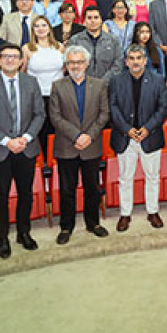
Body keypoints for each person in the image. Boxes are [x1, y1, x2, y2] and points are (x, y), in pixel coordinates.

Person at [0, 43, 46, 258]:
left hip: (26, 148)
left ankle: (23, 232)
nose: (10, 60)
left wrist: (24, 139)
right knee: (0, 197)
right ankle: (3, 237)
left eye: (14, 57)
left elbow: (39, 115)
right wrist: (7, 141)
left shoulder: (31, 82)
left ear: (21, 61)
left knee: (26, 194)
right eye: (5, 56)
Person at [49, 45, 110, 244]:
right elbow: (55, 117)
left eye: (79, 62)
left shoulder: (99, 85)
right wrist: (77, 136)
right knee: (67, 190)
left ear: (86, 63)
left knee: (92, 188)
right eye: (71, 62)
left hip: (91, 145)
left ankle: (93, 223)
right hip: (67, 146)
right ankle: (66, 227)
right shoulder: (57, 86)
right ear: (66, 65)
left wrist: (89, 136)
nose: (76, 66)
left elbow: (104, 114)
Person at [109, 44, 167, 232]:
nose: (135, 62)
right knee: (125, 178)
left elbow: (163, 108)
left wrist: (147, 128)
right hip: (125, 137)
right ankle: (125, 214)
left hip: (149, 137)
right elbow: (113, 108)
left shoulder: (158, 80)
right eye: (132, 58)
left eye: (139, 58)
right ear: (126, 62)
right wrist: (127, 129)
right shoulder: (116, 81)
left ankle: (153, 211)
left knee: (152, 177)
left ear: (145, 60)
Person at [22, 15, 64, 158]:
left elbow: (64, 70)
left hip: (57, 95)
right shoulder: (27, 48)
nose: (40, 29)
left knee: (57, 128)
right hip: (37, 95)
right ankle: (42, 159)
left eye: (44, 25)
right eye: (37, 26)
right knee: (40, 129)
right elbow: (23, 72)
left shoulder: (59, 46)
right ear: (32, 30)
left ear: (49, 28)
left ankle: (56, 158)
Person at [67, 6, 123, 84]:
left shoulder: (113, 40)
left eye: (96, 17)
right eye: (89, 18)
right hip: (81, 85)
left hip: (107, 85)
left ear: (101, 21)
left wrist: (102, 82)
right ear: (84, 21)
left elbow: (118, 64)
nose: (93, 21)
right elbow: (70, 63)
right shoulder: (75, 40)